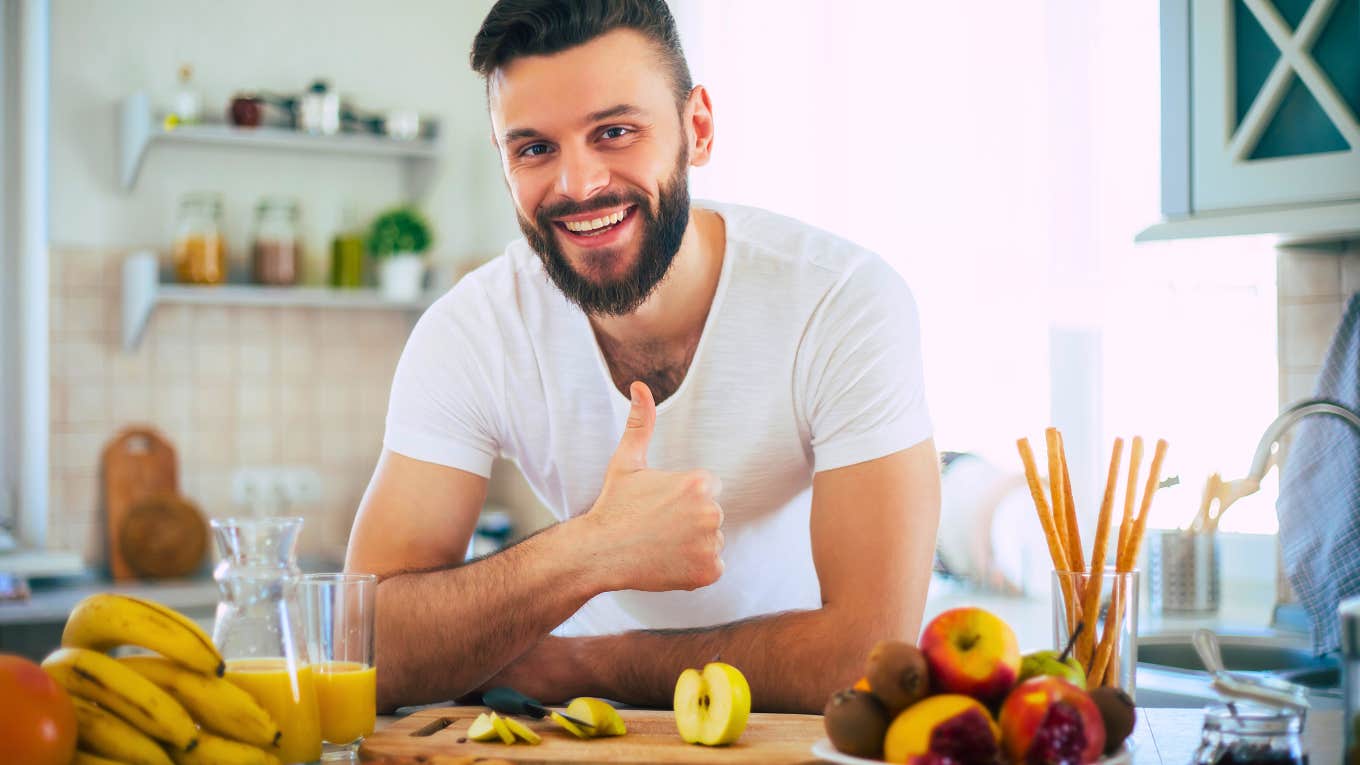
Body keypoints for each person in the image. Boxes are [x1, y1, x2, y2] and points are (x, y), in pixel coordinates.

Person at [345, 0, 941, 714]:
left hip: (789, 736)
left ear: (698, 128)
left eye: (615, 132)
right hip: (578, 740)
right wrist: (590, 549)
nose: (578, 184)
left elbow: (865, 655)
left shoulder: (840, 301)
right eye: (533, 148)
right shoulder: (472, 330)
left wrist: (580, 665)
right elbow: (363, 648)